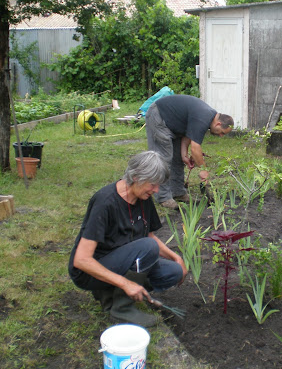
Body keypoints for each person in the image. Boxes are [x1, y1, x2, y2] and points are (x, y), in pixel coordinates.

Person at [68, 151, 187, 327]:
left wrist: (176, 258)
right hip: (90, 270)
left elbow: (149, 236)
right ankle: (122, 309)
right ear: (136, 177)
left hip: (122, 260)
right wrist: (126, 283)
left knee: (173, 272)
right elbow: (81, 260)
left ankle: (109, 292)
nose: (156, 190)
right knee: (147, 248)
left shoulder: (143, 198)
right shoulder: (105, 202)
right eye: (153, 184)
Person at [145, 94, 233, 209]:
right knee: (163, 159)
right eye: (222, 132)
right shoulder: (204, 117)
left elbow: (188, 135)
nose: (221, 136)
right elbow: (195, 148)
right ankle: (163, 198)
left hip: (173, 125)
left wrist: (183, 154)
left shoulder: (207, 116)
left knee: (177, 159)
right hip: (159, 116)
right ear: (218, 124)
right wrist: (203, 170)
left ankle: (178, 192)